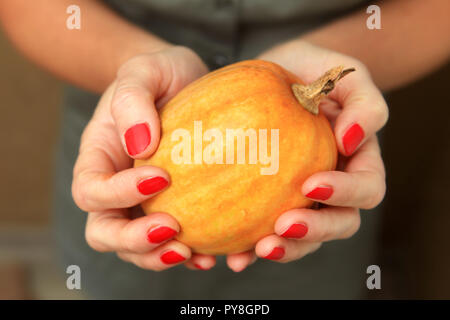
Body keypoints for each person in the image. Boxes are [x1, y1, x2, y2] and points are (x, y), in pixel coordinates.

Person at [0, 0, 448, 299]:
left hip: (324, 159)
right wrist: (131, 72)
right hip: (129, 130)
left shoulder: (320, 135)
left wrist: (337, 58)